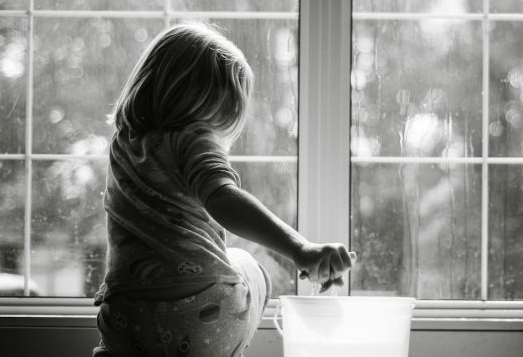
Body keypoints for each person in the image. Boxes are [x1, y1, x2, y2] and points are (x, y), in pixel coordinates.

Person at [92, 23, 354, 357]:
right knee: (248, 265)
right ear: (212, 103)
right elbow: (223, 198)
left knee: (127, 336)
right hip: (201, 315)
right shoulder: (194, 140)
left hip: (126, 315)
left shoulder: (123, 144)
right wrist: (301, 249)